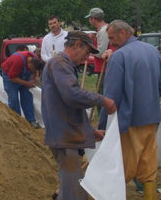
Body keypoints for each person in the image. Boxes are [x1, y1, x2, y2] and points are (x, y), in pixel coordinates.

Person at [42, 31, 116, 200]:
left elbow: (70, 107)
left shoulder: (63, 65)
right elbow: (72, 95)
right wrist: (102, 99)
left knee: (73, 188)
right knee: (72, 193)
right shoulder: (60, 64)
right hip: (65, 137)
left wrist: (90, 131)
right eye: (87, 52)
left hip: (67, 134)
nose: (87, 57)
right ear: (77, 45)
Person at [98, 20, 161, 200]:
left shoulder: (119, 57)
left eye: (112, 38)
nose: (111, 43)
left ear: (123, 33)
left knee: (122, 168)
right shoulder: (153, 52)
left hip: (129, 122)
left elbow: (110, 98)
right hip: (152, 118)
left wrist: (103, 125)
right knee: (148, 167)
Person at [1, 49, 44, 128]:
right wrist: (27, 83)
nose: (31, 71)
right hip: (9, 76)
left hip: (22, 76)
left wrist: (35, 77)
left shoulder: (34, 58)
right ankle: (18, 123)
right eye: (31, 69)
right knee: (14, 100)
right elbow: (12, 77)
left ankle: (31, 120)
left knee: (27, 98)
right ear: (30, 63)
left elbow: (36, 70)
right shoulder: (18, 60)